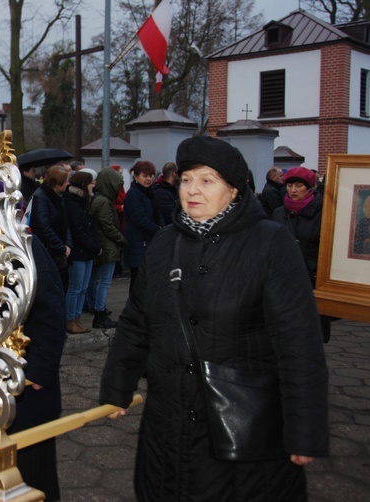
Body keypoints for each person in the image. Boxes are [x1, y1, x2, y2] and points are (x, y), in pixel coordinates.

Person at [100, 136, 329, 501]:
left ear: (234, 189)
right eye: (187, 179)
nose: (192, 190)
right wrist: (116, 387)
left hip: (243, 432)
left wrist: (305, 428)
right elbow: (135, 322)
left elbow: (298, 341)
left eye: (207, 180)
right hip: (167, 426)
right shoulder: (163, 243)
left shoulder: (270, 242)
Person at [7, 234, 66, 501]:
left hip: (29, 387)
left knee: (33, 477)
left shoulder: (22, 241)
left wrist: (40, 368)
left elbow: (51, 307)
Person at [271, 166, 332, 342]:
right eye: (290, 185)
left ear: (309, 187)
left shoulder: (323, 213)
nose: (293, 190)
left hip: (312, 278)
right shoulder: (279, 213)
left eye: (299, 185)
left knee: (311, 333)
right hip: (284, 279)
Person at [87, 168, 126, 329]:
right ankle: (100, 312)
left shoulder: (100, 199)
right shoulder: (103, 201)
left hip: (103, 244)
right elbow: (108, 226)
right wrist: (122, 240)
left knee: (95, 279)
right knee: (104, 281)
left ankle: (96, 307)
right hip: (107, 246)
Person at [63, 171, 100, 334]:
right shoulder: (72, 202)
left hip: (87, 251)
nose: (94, 185)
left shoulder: (84, 201)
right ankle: (70, 319)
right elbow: (78, 230)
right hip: (79, 252)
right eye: (91, 182)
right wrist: (93, 246)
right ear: (84, 184)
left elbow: (90, 226)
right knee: (76, 288)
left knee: (83, 288)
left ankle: (76, 318)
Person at [30, 164, 72, 291]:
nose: (68, 183)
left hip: (59, 250)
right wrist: (61, 247)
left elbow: (66, 222)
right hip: (50, 251)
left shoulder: (59, 196)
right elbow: (43, 227)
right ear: (57, 184)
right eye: (65, 181)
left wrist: (68, 244)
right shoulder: (41, 197)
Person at [123, 160, 163, 291]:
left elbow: (156, 214)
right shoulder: (134, 194)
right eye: (145, 176)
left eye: (151, 176)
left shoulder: (148, 192)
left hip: (147, 240)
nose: (149, 179)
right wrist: (159, 230)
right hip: (139, 241)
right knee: (138, 279)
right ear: (136, 176)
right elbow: (140, 219)